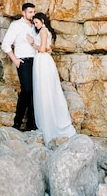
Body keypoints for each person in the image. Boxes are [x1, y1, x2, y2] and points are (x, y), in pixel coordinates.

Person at [27, 12, 76, 146]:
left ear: (42, 21)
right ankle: (48, 121)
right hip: (44, 60)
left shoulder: (43, 31)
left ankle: (49, 125)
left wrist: (32, 43)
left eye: (36, 22)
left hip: (42, 61)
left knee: (45, 91)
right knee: (47, 90)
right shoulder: (46, 31)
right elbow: (48, 48)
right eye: (34, 23)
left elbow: (42, 49)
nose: (35, 25)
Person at [1, 2, 37, 131]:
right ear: (24, 13)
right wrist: (15, 59)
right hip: (23, 62)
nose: (32, 14)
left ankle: (31, 125)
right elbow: (5, 44)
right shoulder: (16, 25)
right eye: (30, 12)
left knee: (34, 92)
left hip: (36, 62)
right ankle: (17, 123)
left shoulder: (35, 26)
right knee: (26, 91)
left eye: (33, 12)